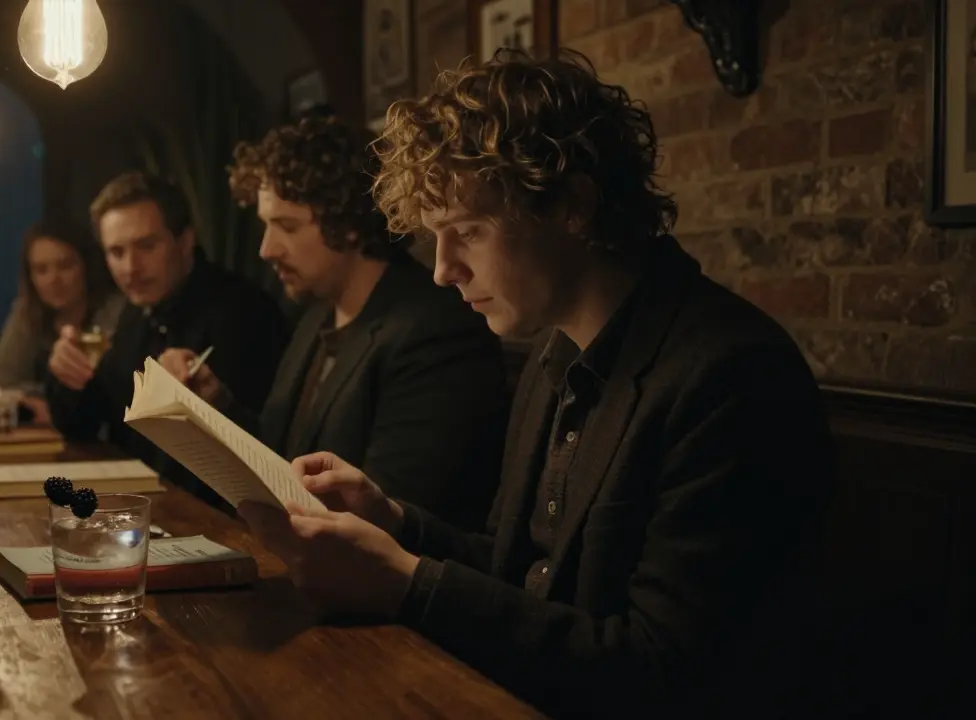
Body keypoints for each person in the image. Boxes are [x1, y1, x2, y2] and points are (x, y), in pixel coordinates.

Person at [237, 51, 836, 718]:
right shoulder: (555, 351)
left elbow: (663, 670)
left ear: (572, 205)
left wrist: (408, 584)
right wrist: (396, 522)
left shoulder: (729, 374)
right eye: (436, 238)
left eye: (467, 232)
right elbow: (516, 572)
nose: (442, 270)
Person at [160, 116, 508, 529]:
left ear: (348, 221)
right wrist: (217, 405)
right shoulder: (317, 312)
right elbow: (282, 461)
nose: (266, 249)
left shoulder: (433, 331)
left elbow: (394, 515)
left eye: (287, 226)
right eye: (266, 225)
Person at [47, 171, 289, 508]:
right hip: (148, 509)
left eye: (146, 246)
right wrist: (66, 377)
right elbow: (84, 426)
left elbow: (257, 456)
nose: (130, 267)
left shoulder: (242, 312)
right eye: (116, 252)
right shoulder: (136, 313)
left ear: (185, 240)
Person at [0, 221, 124, 424]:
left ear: (87, 267)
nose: (53, 279)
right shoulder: (28, 314)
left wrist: (33, 396)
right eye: (41, 270)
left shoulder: (116, 311)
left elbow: (103, 392)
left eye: (65, 266)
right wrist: (27, 398)